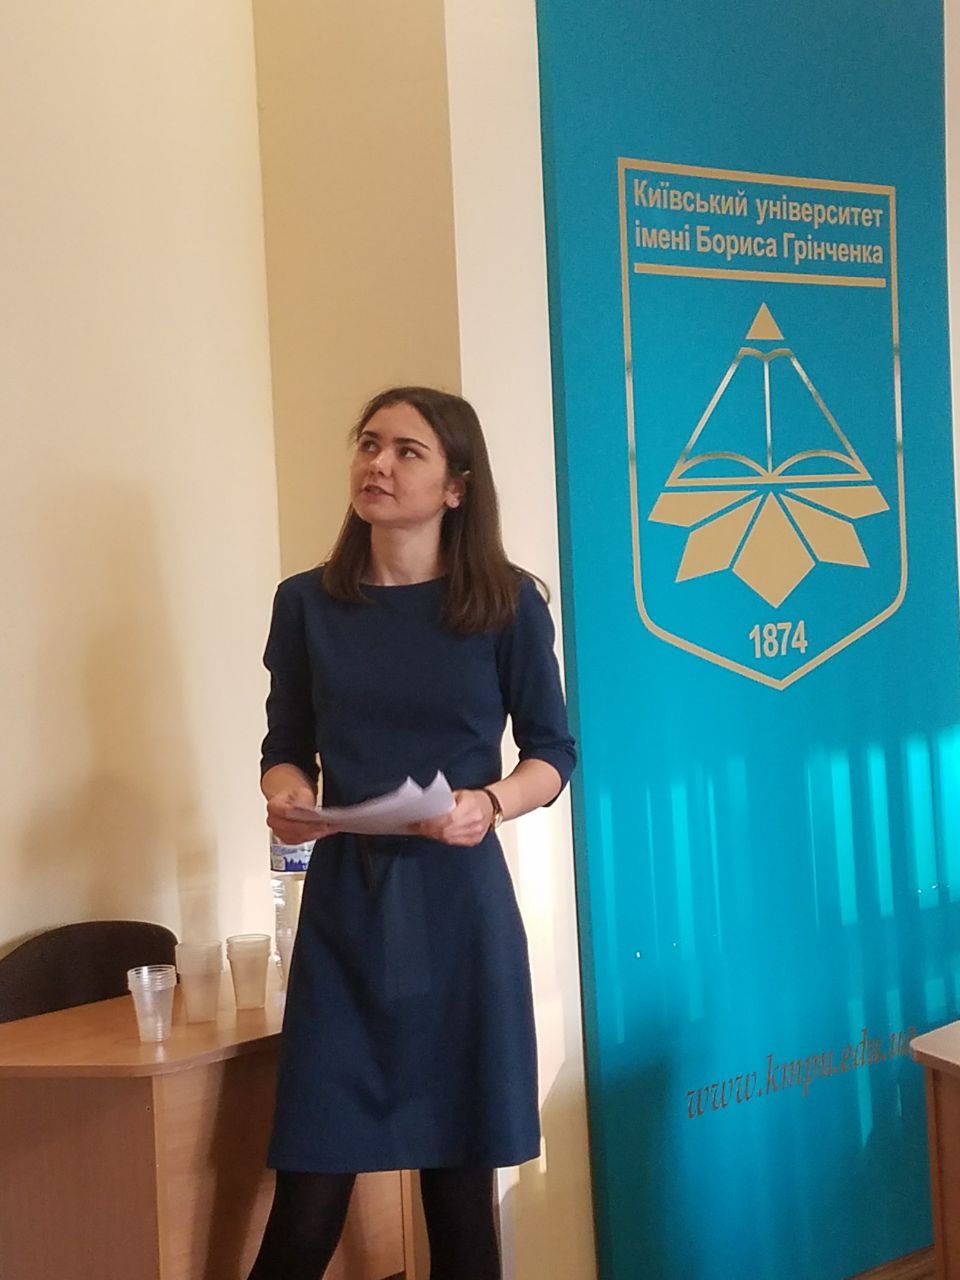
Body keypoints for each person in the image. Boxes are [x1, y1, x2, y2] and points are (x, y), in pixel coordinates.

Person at [248, 386, 576, 1280]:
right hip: (347, 912)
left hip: (457, 912)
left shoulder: (508, 603)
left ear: (456, 487)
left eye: (406, 451)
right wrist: (286, 793)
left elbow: (552, 755)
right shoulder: (305, 603)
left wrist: (490, 803)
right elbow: (285, 747)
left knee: (460, 1203)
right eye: (369, 445)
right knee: (308, 1194)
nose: (378, 465)